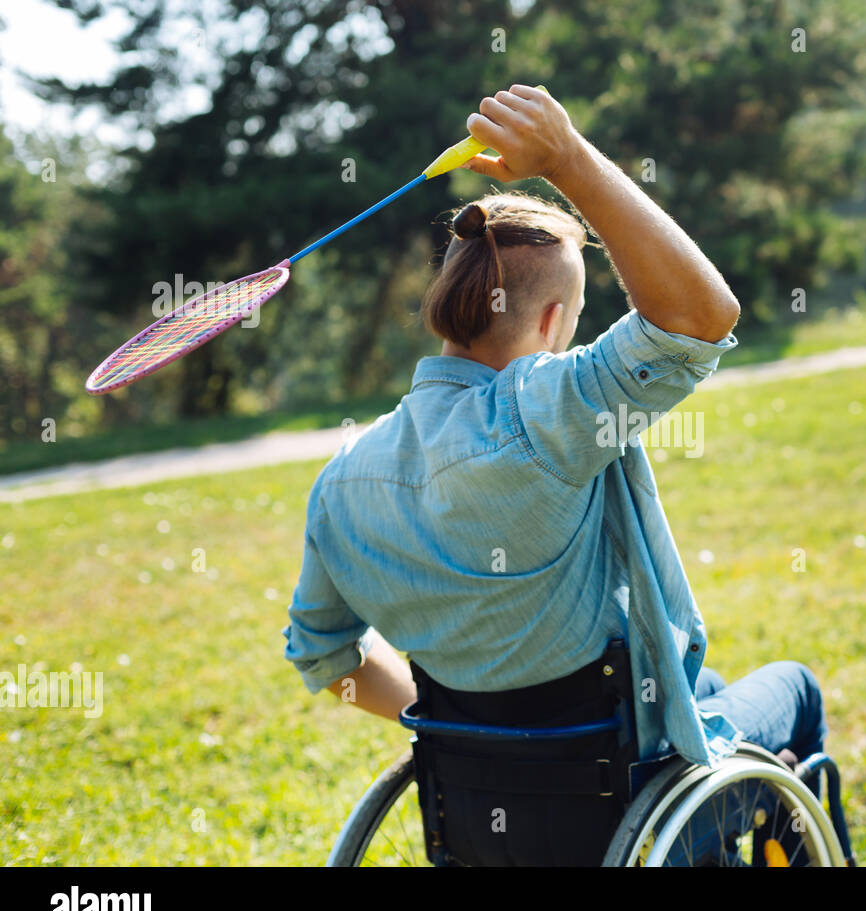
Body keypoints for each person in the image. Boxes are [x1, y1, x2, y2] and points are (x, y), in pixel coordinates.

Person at [280, 84, 826, 775]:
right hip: (624, 768)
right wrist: (566, 158)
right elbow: (700, 317)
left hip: (484, 791)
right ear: (549, 323)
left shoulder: (341, 480)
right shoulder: (546, 410)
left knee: (712, 692)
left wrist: (459, 725)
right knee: (795, 689)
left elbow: (323, 652)